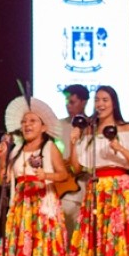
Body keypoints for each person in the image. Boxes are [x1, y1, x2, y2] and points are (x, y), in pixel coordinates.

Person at [0, 95, 70, 256]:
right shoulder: (16, 151)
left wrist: (46, 176)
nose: (27, 125)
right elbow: (3, 180)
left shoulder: (49, 148)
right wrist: (2, 159)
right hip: (21, 206)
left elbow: (64, 175)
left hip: (43, 206)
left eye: (32, 121)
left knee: (42, 249)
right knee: (22, 250)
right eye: (24, 122)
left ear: (43, 126)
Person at [65, 85, 129, 256]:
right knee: (95, 235)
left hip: (120, 186)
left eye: (105, 100)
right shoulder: (89, 131)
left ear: (113, 103)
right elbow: (76, 168)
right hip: (96, 187)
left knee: (118, 235)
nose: (100, 104)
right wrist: (74, 143)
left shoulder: (126, 129)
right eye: (97, 100)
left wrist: (120, 148)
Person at [57, 84, 90, 238]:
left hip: (84, 185)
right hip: (62, 186)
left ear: (84, 102)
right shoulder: (58, 125)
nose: (68, 106)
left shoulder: (92, 126)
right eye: (66, 102)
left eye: (72, 102)